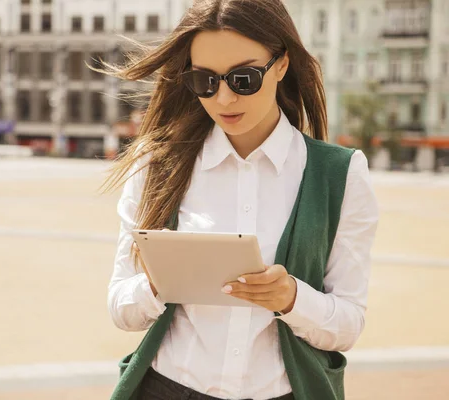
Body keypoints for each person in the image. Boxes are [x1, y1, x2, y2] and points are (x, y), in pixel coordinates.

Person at [100, 1, 379, 399]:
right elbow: (120, 309)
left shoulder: (341, 174)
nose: (225, 99)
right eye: (205, 82)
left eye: (244, 78)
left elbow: (348, 324)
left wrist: (292, 298)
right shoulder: (156, 164)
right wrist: (158, 285)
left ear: (281, 64)